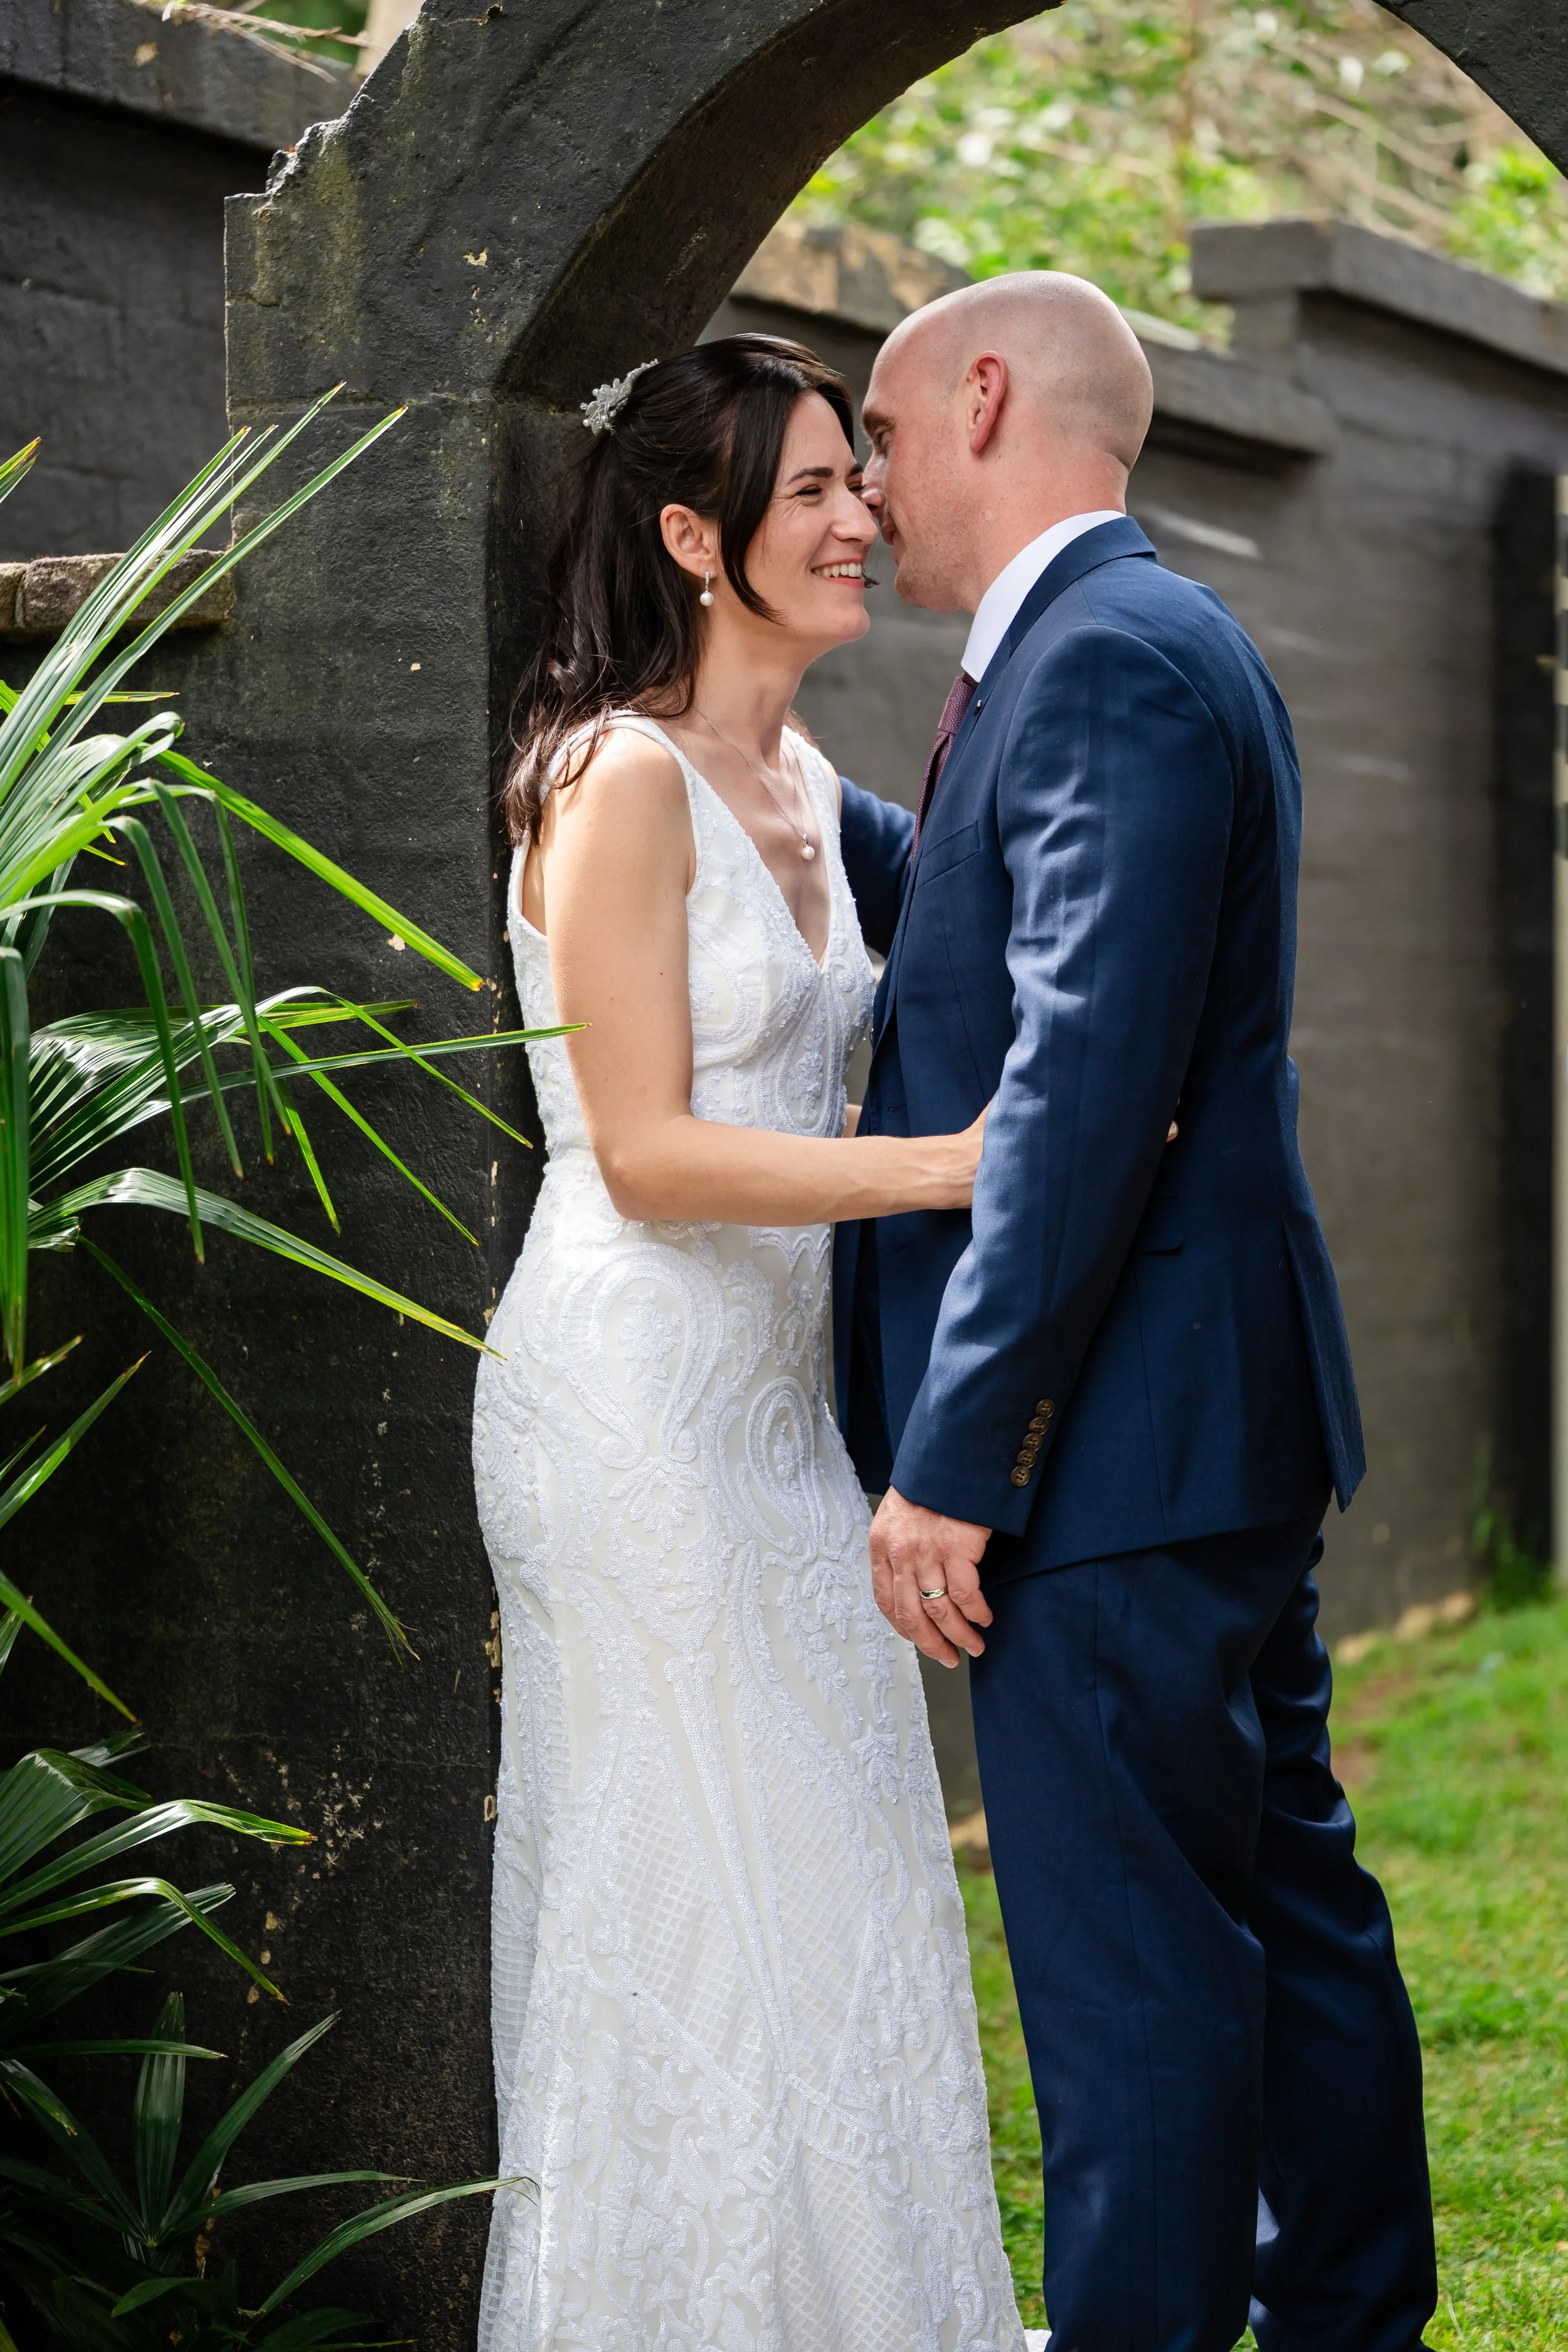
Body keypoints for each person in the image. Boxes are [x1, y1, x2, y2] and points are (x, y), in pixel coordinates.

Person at [835, 271, 1438, 2352]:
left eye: (884, 434)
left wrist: (951, 1452)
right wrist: (743, 779)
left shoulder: (1104, 658)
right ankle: (1351, 2320)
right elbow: (991, 917)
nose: (863, 487)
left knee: (1133, 1975)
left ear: (983, 397)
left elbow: (1078, 1090)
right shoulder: (1115, 651)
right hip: (1198, 1423)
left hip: (1106, 1449)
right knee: (1279, 1902)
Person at [472, 335, 1025, 2352]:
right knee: (694, 1901)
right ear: (695, 536)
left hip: (782, 1416)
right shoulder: (613, 775)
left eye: (853, 484)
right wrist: (957, 1168)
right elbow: (639, 1152)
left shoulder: (801, 779)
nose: (862, 516)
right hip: (628, 1402)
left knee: (840, 1884)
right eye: (812, 492)